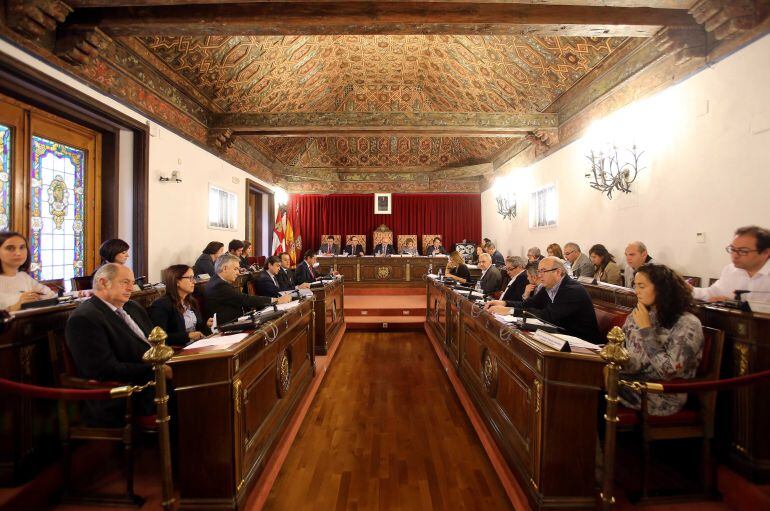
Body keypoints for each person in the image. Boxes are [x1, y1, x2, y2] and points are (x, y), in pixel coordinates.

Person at [66, 263, 166, 426]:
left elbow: (153, 344)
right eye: (125, 282)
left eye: (132, 283)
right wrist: (156, 370)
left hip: (154, 381)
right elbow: (103, 370)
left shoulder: (133, 307)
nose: (131, 288)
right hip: (126, 392)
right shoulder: (85, 318)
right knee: (191, 395)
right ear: (103, 282)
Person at [620, 264, 705, 416]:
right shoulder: (639, 314)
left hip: (661, 394)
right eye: (635, 285)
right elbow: (627, 354)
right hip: (632, 381)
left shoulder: (688, 324)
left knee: (593, 390)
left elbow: (669, 371)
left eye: (642, 286)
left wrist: (646, 330)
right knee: (587, 380)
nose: (636, 291)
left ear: (661, 289)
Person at [485, 257, 601, 343]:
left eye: (543, 271)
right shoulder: (549, 287)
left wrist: (510, 311)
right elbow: (530, 304)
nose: (539, 275)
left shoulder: (573, 290)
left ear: (558, 272)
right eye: (539, 271)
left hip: (583, 344)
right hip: (561, 336)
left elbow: (548, 315)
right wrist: (504, 303)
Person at [203, 254, 290, 324]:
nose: (238, 273)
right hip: (226, 326)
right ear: (225, 268)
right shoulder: (218, 285)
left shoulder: (219, 281)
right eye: (235, 269)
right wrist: (276, 300)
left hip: (235, 321)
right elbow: (244, 299)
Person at [693, 225, 770, 302]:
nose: (735, 256)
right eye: (732, 249)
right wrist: (688, 290)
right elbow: (713, 293)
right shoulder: (730, 270)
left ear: (766, 252)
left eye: (743, 251)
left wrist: (734, 304)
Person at [148, 264, 210, 346]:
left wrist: (206, 325)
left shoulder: (191, 301)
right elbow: (159, 338)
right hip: (177, 350)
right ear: (177, 281)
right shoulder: (161, 305)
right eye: (190, 278)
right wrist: (187, 336)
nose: (194, 282)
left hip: (196, 346)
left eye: (193, 277)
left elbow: (198, 330)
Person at [0, 231, 57, 311]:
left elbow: (51, 295)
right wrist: (14, 307)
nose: (18, 253)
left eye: (22, 247)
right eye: (10, 248)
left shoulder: (24, 277)